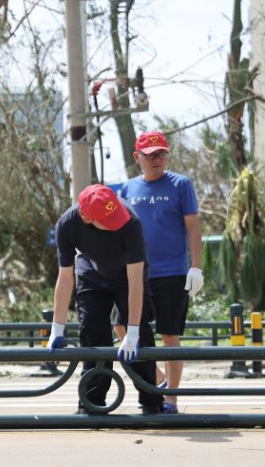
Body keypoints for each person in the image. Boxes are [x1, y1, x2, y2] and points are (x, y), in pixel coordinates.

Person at [46, 184, 164, 414]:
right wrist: (56, 329)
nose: (115, 224)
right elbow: (65, 277)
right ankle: (92, 403)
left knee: (140, 332)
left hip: (127, 274)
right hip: (91, 272)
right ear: (86, 217)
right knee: (91, 333)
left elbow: (135, 280)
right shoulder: (67, 225)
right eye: (108, 221)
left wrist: (131, 333)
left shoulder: (129, 222)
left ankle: (151, 401)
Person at [118, 130, 203, 414]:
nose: (157, 159)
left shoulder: (181, 184)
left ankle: (171, 399)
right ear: (137, 157)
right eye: (150, 155)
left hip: (172, 273)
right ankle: (160, 380)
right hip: (137, 274)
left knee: (169, 336)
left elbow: (192, 225)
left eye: (161, 154)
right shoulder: (128, 189)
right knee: (122, 327)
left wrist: (196, 266)